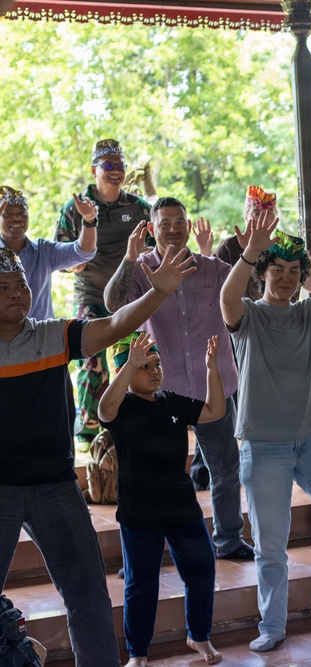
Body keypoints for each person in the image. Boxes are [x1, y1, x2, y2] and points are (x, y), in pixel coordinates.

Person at [0, 231, 195, 667]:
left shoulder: (52, 335)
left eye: (21, 285)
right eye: (4, 287)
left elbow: (117, 325)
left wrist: (159, 293)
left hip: (55, 487)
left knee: (87, 591)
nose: (17, 293)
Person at [220, 206, 311, 651]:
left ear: (302, 277)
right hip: (263, 445)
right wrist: (250, 251)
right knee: (270, 544)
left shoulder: (309, 313)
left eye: (293, 271)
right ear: (263, 274)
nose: (285, 278)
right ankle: (273, 625)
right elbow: (225, 300)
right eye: (277, 269)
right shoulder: (246, 316)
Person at [103, 196, 256, 561]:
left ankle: (229, 540)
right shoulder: (140, 271)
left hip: (213, 386)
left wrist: (251, 249)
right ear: (151, 229)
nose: (173, 229)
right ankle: (145, 550)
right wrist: (128, 258)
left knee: (225, 468)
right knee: (154, 473)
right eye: (165, 223)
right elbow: (112, 304)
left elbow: (249, 294)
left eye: (179, 222)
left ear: (188, 226)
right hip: (160, 390)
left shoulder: (213, 269)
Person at [97, 332, 225, 667]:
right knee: (142, 584)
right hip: (140, 512)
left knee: (202, 568)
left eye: (157, 364)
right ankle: (138, 653)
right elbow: (104, 408)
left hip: (181, 507)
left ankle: (199, 636)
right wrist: (128, 365)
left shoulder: (173, 402)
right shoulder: (121, 409)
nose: (155, 372)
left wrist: (212, 368)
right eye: (145, 367)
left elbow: (214, 410)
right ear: (125, 371)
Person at [56, 138, 152, 450]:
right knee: (90, 360)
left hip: (129, 298)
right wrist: (75, 263)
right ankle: (87, 431)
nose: (115, 171)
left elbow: (159, 239)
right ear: (94, 169)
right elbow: (62, 252)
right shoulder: (75, 207)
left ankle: (130, 421)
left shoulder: (137, 207)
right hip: (91, 296)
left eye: (120, 166)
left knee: (133, 358)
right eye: (108, 165)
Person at [0, 186, 96, 320]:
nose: (17, 218)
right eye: (8, 213)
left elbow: (83, 252)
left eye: (22, 212)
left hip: (41, 336)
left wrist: (89, 220)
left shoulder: (43, 251)